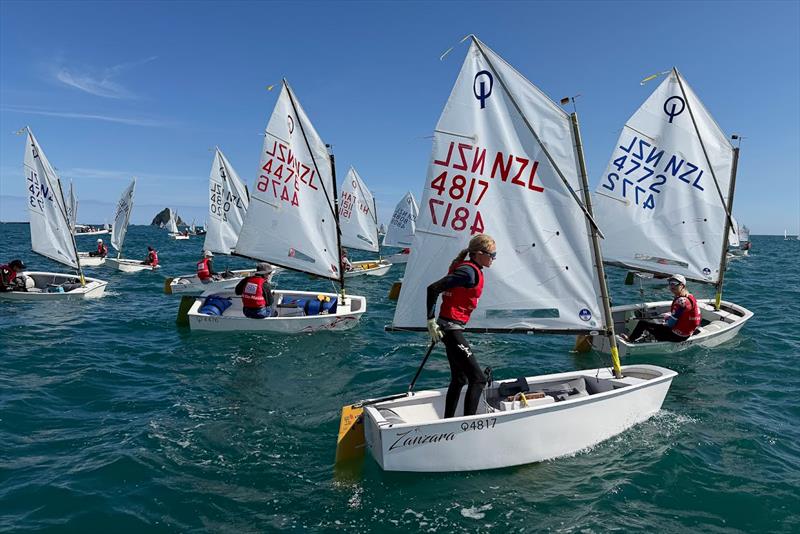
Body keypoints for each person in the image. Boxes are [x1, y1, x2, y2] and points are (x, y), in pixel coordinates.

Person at [426, 234, 496, 418]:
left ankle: (448, 420)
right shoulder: (468, 272)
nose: (494, 258)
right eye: (492, 254)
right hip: (450, 328)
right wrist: (430, 320)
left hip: (451, 326)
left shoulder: (470, 270)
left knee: (459, 378)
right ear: (479, 253)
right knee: (478, 379)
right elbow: (433, 288)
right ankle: (468, 425)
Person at [622, 274, 702, 343]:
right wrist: (669, 317)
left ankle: (630, 339)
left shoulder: (680, 302)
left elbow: (670, 324)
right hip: (687, 333)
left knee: (643, 323)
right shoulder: (690, 297)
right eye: (670, 283)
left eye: (674, 283)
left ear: (682, 286)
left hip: (676, 337)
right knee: (660, 321)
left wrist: (666, 321)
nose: (671, 286)